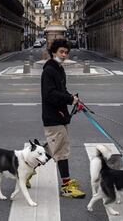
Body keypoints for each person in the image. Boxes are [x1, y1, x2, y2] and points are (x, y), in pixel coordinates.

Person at [40, 38, 85, 198]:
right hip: (53, 117)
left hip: (60, 115)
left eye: (66, 52)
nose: (64, 55)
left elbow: (62, 90)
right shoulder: (49, 71)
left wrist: (73, 98)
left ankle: (26, 171)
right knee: (62, 151)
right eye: (61, 52)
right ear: (54, 52)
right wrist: (68, 99)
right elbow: (49, 94)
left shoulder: (58, 69)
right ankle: (66, 186)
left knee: (53, 149)